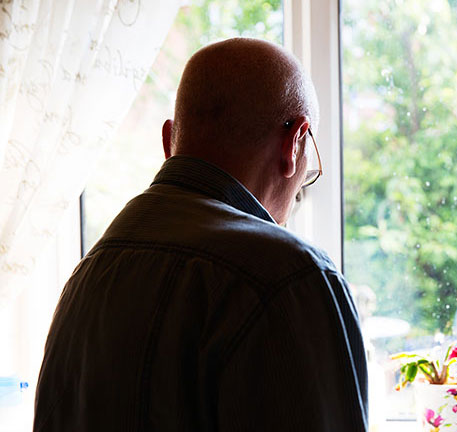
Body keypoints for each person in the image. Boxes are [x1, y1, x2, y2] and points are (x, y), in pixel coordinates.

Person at [34, 38, 368, 431]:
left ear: (169, 142)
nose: (298, 194)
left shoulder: (90, 273)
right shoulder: (290, 278)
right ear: (294, 143)